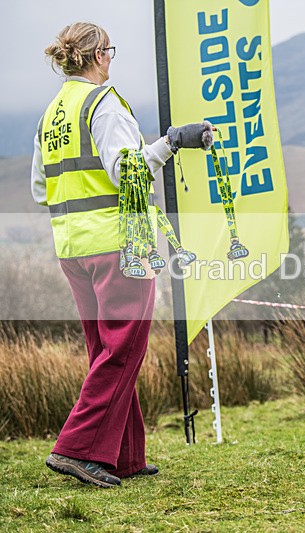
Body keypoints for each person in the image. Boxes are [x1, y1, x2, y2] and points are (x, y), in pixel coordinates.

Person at [32, 22, 212, 488]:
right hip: (119, 242)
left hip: (72, 246)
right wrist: (172, 142)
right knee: (123, 347)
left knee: (107, 351)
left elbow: (38, 189)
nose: (112, 58)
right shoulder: (103, 103)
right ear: (97, 56)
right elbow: (126, 170)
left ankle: (125, 456)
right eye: (110, 50)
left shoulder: (52, 114)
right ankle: (76, 449)